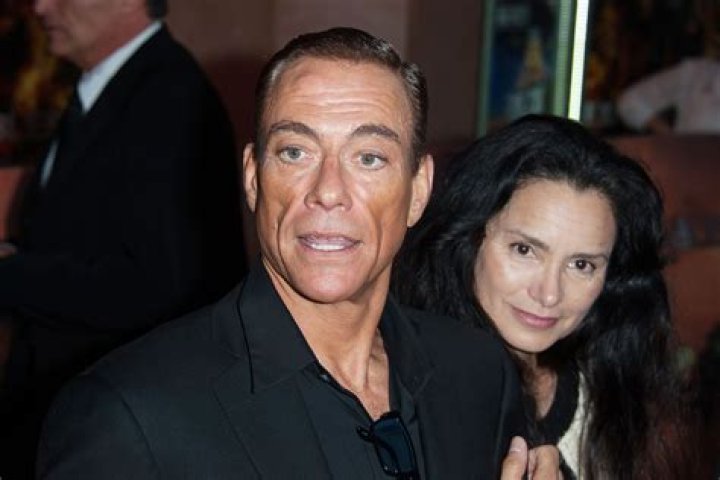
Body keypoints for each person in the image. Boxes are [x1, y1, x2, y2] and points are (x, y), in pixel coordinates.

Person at [36, 28, 559, 479]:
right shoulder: (129, 413)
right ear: (253, 179)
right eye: (295, 152)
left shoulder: (477, 374)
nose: (328, 191)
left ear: (418, 189)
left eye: (369, 158)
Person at [0, 0, 246, 477]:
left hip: (116, 431)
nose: (41, 6)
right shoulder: (111, 87)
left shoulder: (169, 96)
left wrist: (10, 273)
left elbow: (156, 285)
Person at [394, 114, 697, 479]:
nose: (549, 294)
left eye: (581, 264)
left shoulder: (605, 388)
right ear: (467, 240)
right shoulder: (401, 387)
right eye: (524, 250)